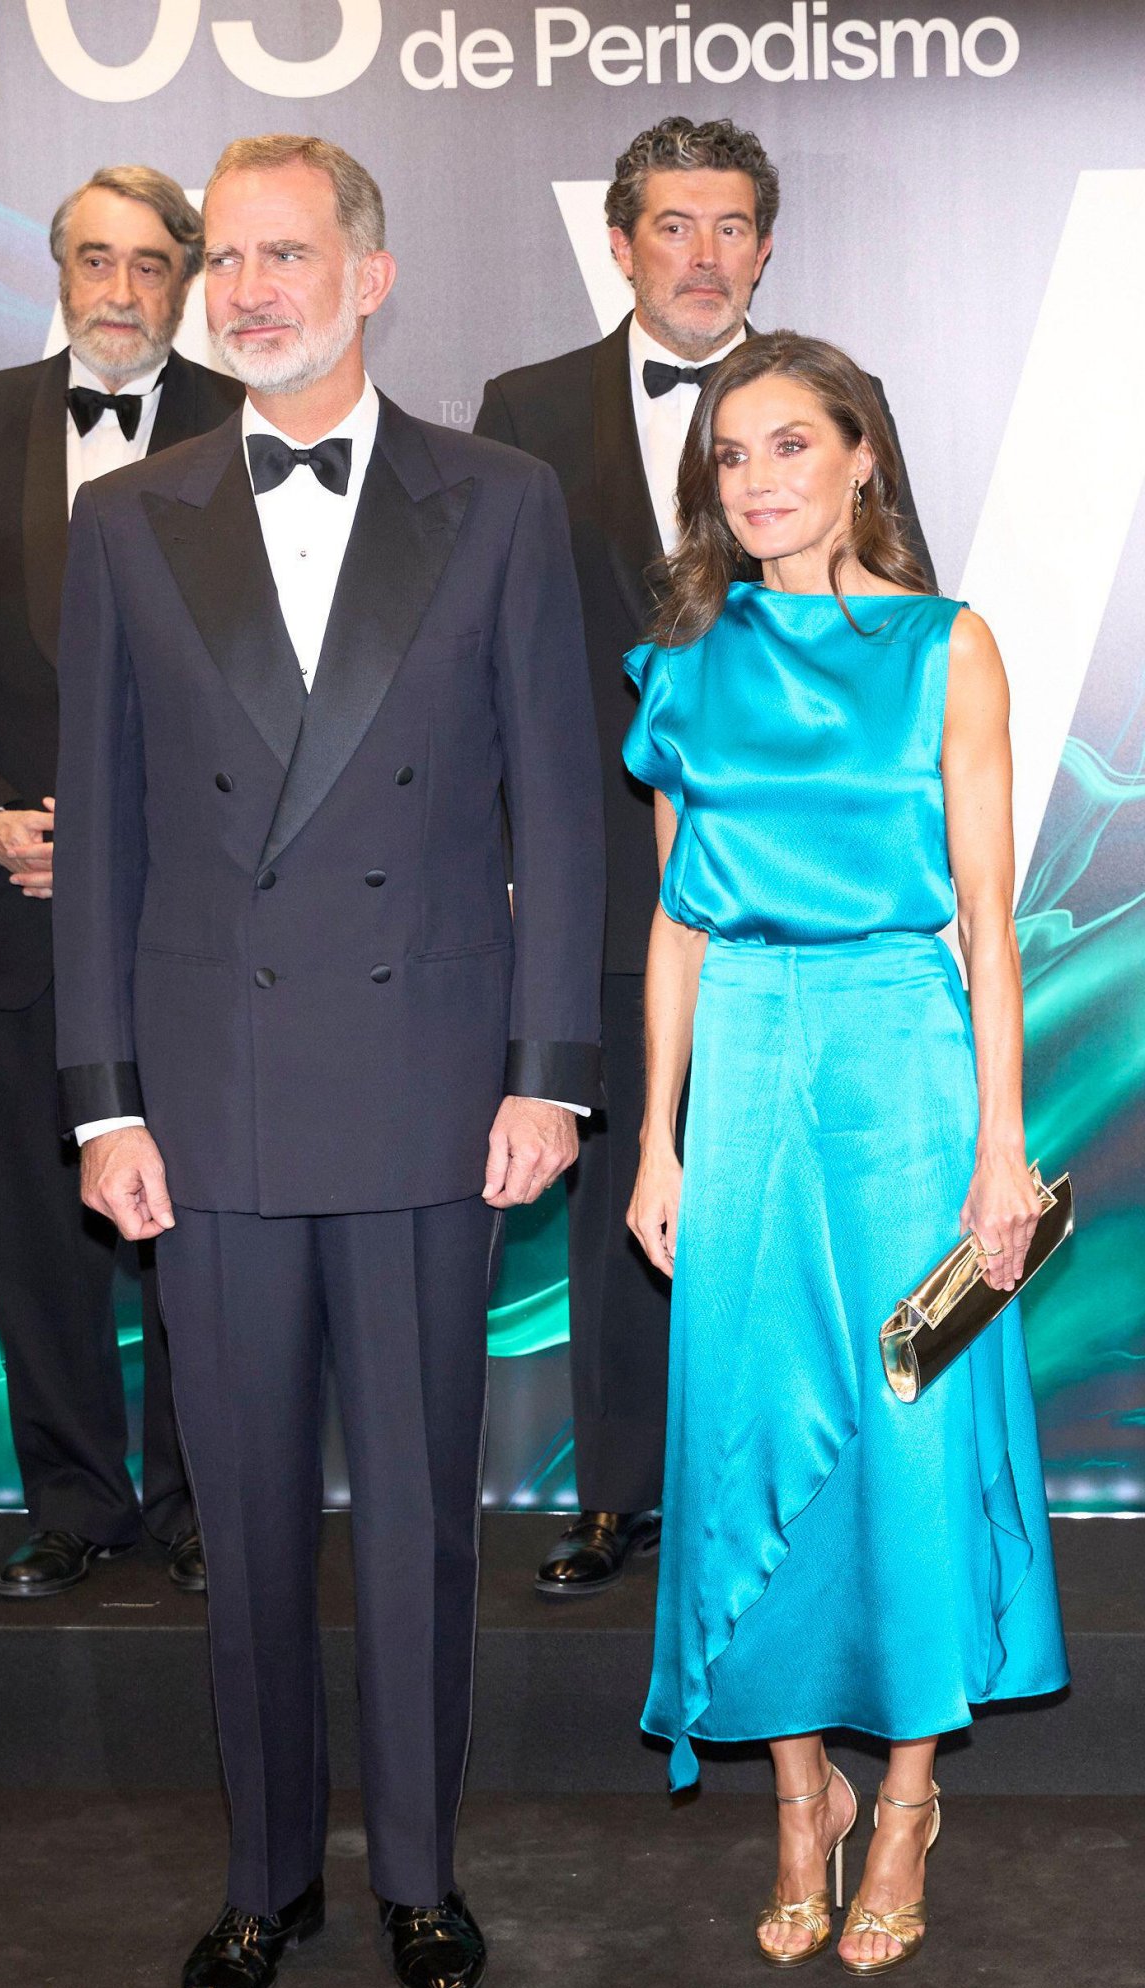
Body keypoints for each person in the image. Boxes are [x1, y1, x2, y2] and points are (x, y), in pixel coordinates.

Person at [52, 133, 604, 1988]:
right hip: (206, 1109)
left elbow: (564, 802)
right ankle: (265, 1877)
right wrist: (102, 1097)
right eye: (228, 257)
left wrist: (550, 1071)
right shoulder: (132, 518)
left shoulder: (506, 499)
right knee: (253, 1519)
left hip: (435, 1091)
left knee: (428, 1514)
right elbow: (105, 837)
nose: (247, 286)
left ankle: (422, 1878)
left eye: (289, 253)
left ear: (373, 275)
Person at [624, 331, 1068, 1975]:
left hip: (903, 1062)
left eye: (791, 445)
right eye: (730, 456)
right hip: (742, 1060)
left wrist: (1003, 1149)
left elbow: (988, 921)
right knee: (742, 1424)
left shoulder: (948, 648)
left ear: (862, 455)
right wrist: (657, 1141)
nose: (758, 482)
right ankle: (794, 1794)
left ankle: (903, 1801)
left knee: (904, 1419)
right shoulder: (683, 663)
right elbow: (673, 926)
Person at [476, 116, 934, 1599]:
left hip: (811, 890)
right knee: (636, 1177)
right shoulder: (525, 408)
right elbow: (494, 656)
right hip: (609, 875)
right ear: (620, 243)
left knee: (802, 1208)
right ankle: (621, 1494)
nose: (702, 253)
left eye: (731, 225)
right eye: (673, 225)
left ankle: (810, 1507)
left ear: (765, 245)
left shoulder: (820, 407)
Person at [0, 166, 242, 1599]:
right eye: (93, 261)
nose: (118, 291)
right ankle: (73, 1497)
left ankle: (199, 1497)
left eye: (147, 265)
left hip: (187, 915)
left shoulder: (250, 429)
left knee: (194, 1214)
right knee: (37, 1219)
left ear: (185, 280)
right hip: (12, 910)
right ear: (54, 271)